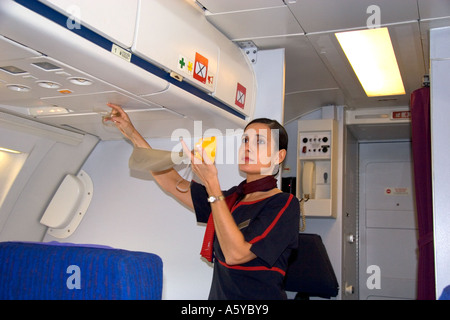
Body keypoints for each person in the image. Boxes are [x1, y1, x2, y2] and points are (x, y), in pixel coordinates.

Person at [106, 103, 299, 300]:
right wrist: (132, 133)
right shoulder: (232, 199)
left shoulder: (284, 204)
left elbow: (236, 255)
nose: (248, 147)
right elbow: (173, 183)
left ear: (279, 156)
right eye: (245, 140)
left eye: (259, 142)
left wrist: (211, 184)